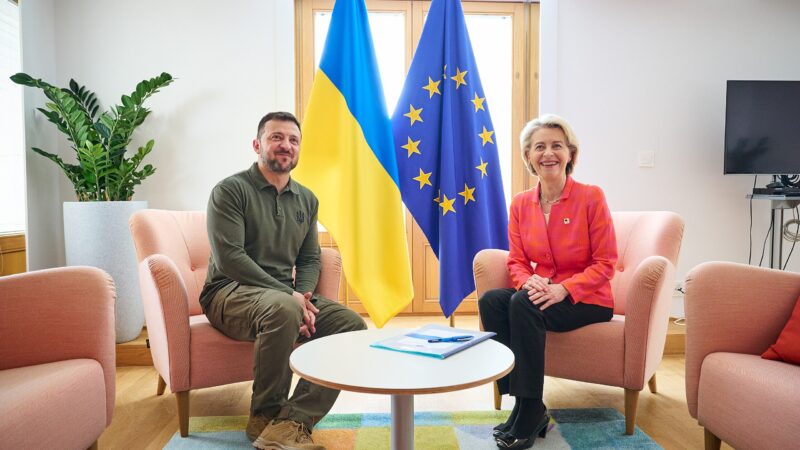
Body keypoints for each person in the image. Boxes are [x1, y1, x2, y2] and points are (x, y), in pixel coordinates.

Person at [199, 111, 367, 450]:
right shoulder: (230, 191)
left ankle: (290, 423)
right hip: (229, 292)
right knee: (282, 308)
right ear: (257, 144)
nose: (285, 145)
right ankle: (263, 415)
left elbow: (309, 258)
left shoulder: (307, 199)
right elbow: (231, 259)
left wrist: (303, 296)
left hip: (285, 297)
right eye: (276, 137)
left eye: (293, 140)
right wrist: (289, 297)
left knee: (351, 325)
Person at [478, 114, 618, 449]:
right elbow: (517, 260)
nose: (548, 153)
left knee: (521, 303)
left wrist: (563, 289)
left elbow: (606, 263)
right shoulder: (521, 203)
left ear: (571, 154)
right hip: (543, 291)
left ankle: (529, 410)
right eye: (539, 146)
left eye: (557, 145)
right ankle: (525, 403)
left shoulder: (591, 197)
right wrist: (528, 282)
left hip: (588, 299)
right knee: (492, 301)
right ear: (528, 156)